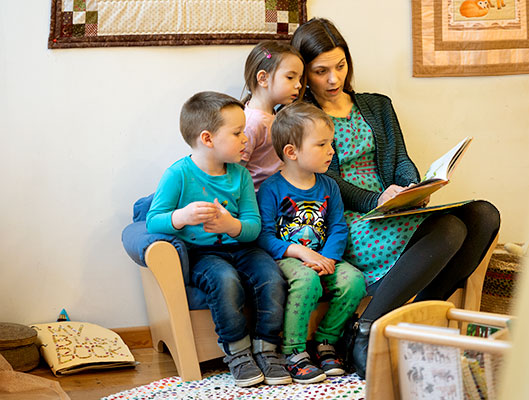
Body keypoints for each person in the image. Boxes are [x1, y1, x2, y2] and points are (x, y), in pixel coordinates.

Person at [291, 18, 501, 378]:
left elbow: (401, 160)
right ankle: (366, 329)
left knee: (484, 215)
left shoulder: (377, 106)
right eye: (320, 71)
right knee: (449, 229)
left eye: (340, 66)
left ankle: (413, 320)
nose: (333, 79)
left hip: (392, 210)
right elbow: (326, 180)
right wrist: (376, 201)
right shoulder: (302, 118)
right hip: (350, 219)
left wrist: (412, 187)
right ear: (305, 74)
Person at [146, 91, 291, 387]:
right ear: (208, 139)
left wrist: (231, 224)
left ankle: (267, 348)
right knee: (224, 279)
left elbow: (253, 227)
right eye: (237, 133)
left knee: (271, 275)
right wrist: (182, 217)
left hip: (243, 248)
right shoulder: (178, 175)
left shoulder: (239, 176)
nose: (245, 139)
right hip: (202, 254)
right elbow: (152, 220)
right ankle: (237, 352)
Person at [257, 101, 367, 383]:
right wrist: (299, 251)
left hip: (323, 257)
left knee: (354, 280)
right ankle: (293, 351)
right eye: (322, 145)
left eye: (331, 143)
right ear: (292, 152)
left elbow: (338, 227)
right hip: (288, 258)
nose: (332, 151)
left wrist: (329, 257)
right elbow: (264, 235)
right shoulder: (271, 188)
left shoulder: (329, 185)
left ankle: (324, 342)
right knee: (306, 281)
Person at [241, 41, 305, 191]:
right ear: (263, 78)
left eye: (300, 79)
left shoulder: (273, 115)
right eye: (290, 77)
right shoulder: (252, 122)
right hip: (259, 199)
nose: (299, 85)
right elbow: (236, 170)